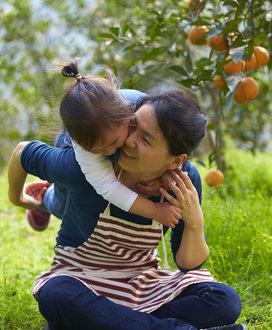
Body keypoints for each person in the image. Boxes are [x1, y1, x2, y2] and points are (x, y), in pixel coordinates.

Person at [8, 87, 250, 330]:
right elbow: (22, 152)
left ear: (176, 160)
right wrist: (17, 198)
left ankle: (88, 326)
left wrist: (194, 222)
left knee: (225, 301)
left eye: (146, 139)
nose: (128, 141)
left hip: (141, 281)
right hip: (82, 277)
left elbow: (188, 264)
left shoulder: (183, 183)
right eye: (132, 127)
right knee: (56, 294)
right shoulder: (84, 168)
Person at [25, 60, 181, 232]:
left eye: (113, 143)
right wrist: (154, 211)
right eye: (98, 150)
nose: (108, 152)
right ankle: (44, 199)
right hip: (72, 147)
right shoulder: (80, 146)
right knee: (64, 206)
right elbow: (108, 187)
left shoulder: (143, 109)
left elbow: (172, 140)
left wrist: (165, 173)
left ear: (127, 114)